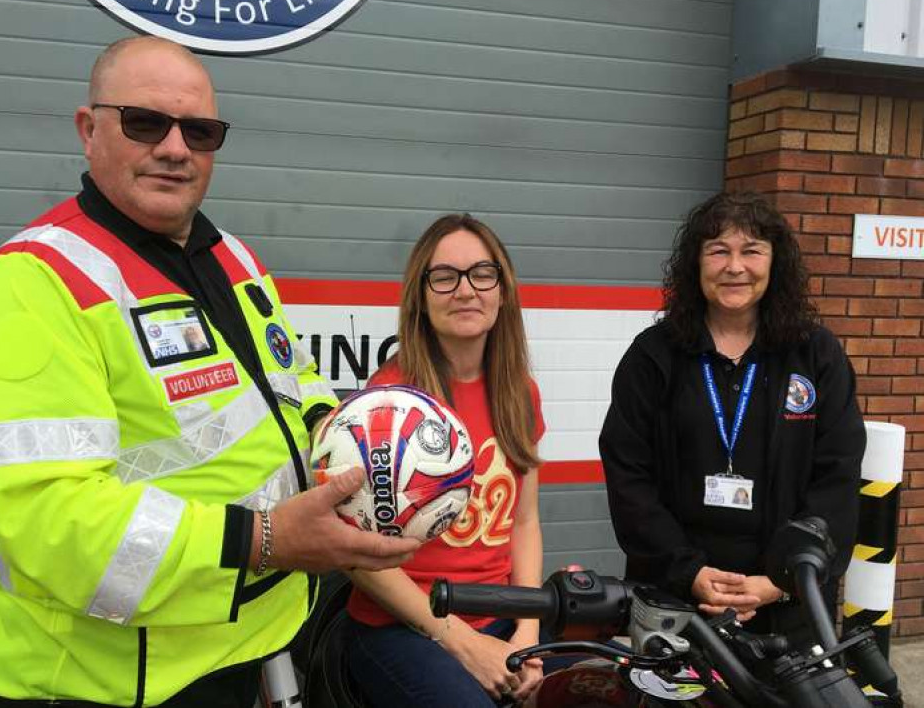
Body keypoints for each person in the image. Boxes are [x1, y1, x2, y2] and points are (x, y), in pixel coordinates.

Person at [0, 36, 418, 708]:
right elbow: (48, 520)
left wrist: (360, 454)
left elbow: (297, 388)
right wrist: (266, 540)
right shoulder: (31, 285)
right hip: (94, 685)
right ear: (88, 130)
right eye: (145, 123)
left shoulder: (231, 257)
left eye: (199, 131)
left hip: (244, 648)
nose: (175, 148)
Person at [599, 192, 865, 637]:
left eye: (751, 251)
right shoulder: (653, 356)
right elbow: (629, 476)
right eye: (718, 250)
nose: (735, 266)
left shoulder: (816, 355)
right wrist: (690, 573)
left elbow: (837, 475)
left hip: (786, 602)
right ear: (696, 265)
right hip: (674, 598)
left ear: (774, 263)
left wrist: (780, 580)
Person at [344, 214, 547, 707]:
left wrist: (528, 636)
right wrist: (463, 644)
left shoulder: (520, 393)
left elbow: (524, 523)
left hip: (501, 615)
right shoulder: (389, 402)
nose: (465, 290)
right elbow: (356, 555)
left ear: (503, 290)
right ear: (422, 294)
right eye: (445, 276)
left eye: (482, 273)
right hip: (403, 625)